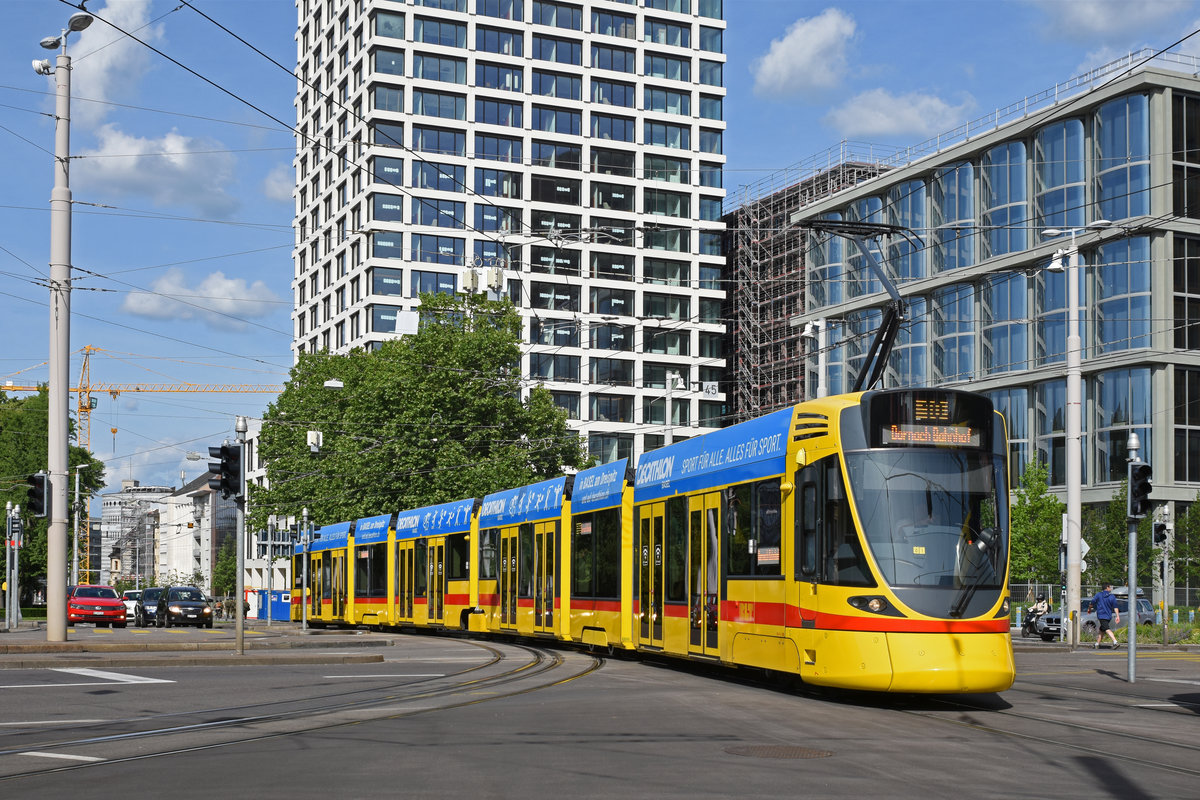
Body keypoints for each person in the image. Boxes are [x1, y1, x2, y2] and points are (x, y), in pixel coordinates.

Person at [1092, 583, 1121, 649]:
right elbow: (1115, 607)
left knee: (1106, 628)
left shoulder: (1099, 595)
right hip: (1108, 616)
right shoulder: (1112, 596)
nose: (1110, 588)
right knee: (1102, 629)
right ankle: (1097, 644)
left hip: (1101, 615)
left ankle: (1115, 642)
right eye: (1110, 587)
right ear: (1107, 587)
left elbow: (1093, 602)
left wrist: (1090, 607)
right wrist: (1117, 616)